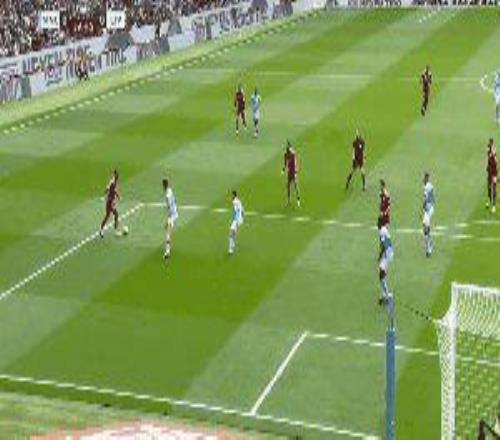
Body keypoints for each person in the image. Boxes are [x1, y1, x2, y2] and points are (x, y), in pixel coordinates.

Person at [378, 217, 394, 306]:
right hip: (388, 253)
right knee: (382, 274)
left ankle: (387, 296)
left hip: (387, 254)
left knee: (381, 275)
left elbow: (384, 245)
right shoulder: (383, 230)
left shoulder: (382, 231)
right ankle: (385, 295)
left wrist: (380, 256)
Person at [99, 169, 120, 238]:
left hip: (111, 201)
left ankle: (102, 228)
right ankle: (102, 228)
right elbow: (108, 189)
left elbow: (114, 191)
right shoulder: (112, 182)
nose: (116, 176)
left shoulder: (115, 182)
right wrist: (103, 196)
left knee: (111, 215)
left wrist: (118, 197)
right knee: (113, 215)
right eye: (115, 175)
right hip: (110, 201)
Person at [163, 178, 178, 260]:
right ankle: (167, 249)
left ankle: (167, 251)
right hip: (174, 213)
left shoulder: (167, 195)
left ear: (163, 185)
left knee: (168, 232)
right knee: (167, 231)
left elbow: (169, 205)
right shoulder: (170, 190)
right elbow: (175, 200)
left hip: (172, 215)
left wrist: (168, 217)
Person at [283, 140, 301, 207]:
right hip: (289, 172)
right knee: (288, 186)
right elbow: (285, 162)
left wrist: (296, 172)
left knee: (295, 186)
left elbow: (295, 163)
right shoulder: (286, 154)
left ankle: (298, 200)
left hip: (293, 172)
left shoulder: (293, 154)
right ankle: (288, 200)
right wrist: (283, 169)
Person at [422, 172, 435, 257]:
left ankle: (428, 249)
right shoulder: (430, 186)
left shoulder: (426, 187)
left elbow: (426, 199)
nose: (423, 180)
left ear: (426, 178)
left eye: (424, 178)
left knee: (425, 228)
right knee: (427, 227)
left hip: (428, 209)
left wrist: (424, 208)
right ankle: (429, 244)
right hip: (431, 208)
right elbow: (433, 198)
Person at [229, 190, 244, 255]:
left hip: (236, 220)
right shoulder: (239, 201)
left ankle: (231, 249)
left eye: (232, 195)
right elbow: (242, 210)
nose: (231, 196)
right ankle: (233, 244)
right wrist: (241, 218)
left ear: (234, 195)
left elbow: (235, 212)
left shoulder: (234, 202)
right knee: (233, 233)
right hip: (240, 219)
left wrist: (234, 220)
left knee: (230, 234)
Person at [486, 138, 497, 214]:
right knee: (489, 188)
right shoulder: (489, 152)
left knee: (494, 188)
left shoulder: (493, 154)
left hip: (494, 173)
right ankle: (489, 201)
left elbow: (496, 163)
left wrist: (493, 155)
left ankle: (493, 206)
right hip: (490, 173)